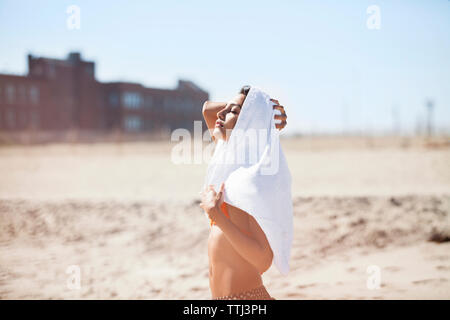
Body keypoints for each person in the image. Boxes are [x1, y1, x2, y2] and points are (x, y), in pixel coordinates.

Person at [199, 85, 289, 300]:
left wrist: (217, 217)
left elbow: (263, 259)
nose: (221, 114)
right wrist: (257, 107)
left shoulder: (254, 178)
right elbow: (208, 110)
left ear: (249, 123)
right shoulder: (227, 159)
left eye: (233, 112)